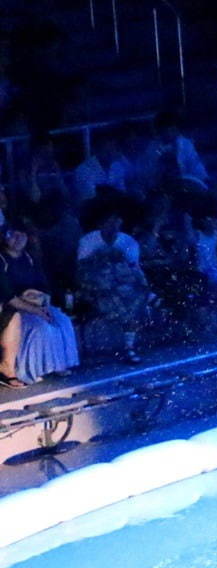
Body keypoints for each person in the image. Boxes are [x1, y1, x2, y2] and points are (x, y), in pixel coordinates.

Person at [76, 203, 158, 364]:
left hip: (123, 287)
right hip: (97, 288)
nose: (113, 226)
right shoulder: (87, 241)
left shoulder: (129, 242)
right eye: (109, 222)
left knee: (135, 295)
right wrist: (103, 258)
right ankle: (128, 348)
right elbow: (83, 271)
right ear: (101, 224)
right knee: (121, 296)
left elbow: (134, 270)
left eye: (117, 222)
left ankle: (129, 347)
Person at [0, 222, 79, 386]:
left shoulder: (29, 258)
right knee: (39, 327)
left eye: (21, 235)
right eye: (12, 235)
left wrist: (42, 301)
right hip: (14, 307)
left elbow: (43, 285)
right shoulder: (2, 260)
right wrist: (36, 310)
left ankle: (58, 364)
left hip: (35, 302)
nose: (17, 239)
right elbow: (9, 296)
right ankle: (30, 370)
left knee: (61, 320)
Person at [141, 110, 209, 195]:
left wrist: (204, 178)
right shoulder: (152, 148)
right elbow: (149, 174)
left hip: (185, 185)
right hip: (162, 188)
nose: (169, 134)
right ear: (159, 132)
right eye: (165, 131)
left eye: (172, 130)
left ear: (177, 129)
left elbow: (195, 165)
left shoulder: (186, 144)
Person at [73, 132, 132, 202]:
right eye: (107, 150)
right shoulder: (83, 171)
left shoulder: (117, 165)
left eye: (113, 148)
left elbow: (123, 188)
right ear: (96, 150)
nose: (111, 152)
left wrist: (123, 159)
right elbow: (91, 198)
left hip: (116, 206)